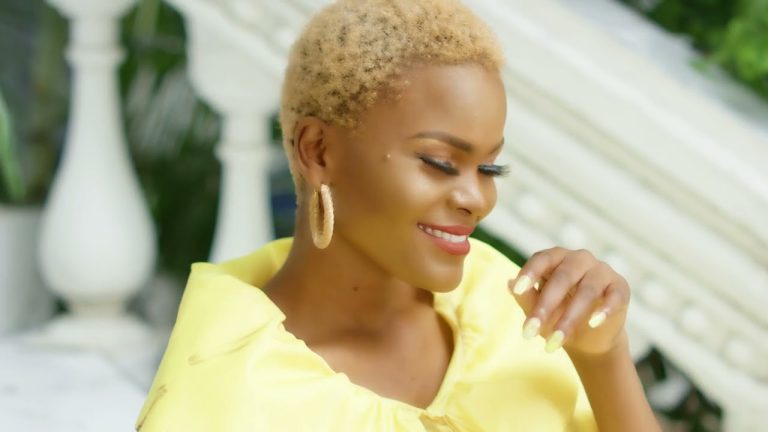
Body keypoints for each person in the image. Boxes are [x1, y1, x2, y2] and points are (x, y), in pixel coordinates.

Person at [136, 0, 660, 430]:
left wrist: (603, 358)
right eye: (440, 163)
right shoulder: (229, 398)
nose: (476, 199)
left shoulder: (503, 308)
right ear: (319, 151)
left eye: (489, 168)